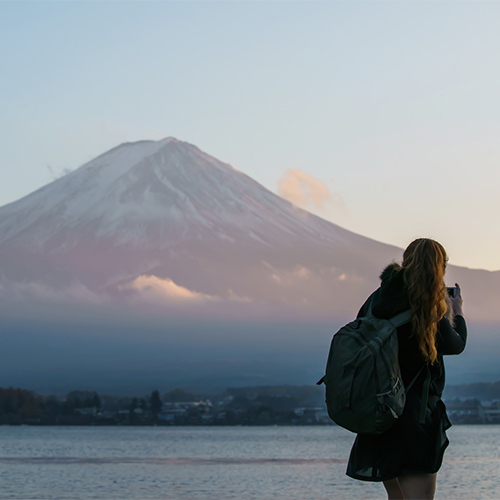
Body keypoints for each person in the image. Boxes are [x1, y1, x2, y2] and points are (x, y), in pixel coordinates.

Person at [346, 238, 467, 500]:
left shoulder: (377, 300)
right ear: (440, 268)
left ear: (406, 261)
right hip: (416, 420)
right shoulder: (429, 306)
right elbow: (455, 345)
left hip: (380, 417)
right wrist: (456, 312)